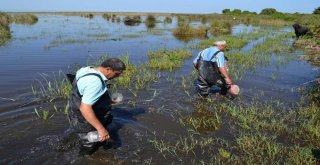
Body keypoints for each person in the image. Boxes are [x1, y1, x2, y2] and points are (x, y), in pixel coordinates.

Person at [67, 58, 125, 155]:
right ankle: (84, 158)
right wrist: (101, 129)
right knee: (89, 144)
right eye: (117, 73)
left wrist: (108, 101)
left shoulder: (87, 69)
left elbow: (85, 91)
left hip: (74, 105)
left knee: (97, 136)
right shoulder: (95, 83)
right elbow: (85, 108)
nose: (118, 76)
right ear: (108, 69)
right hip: (82, 116)